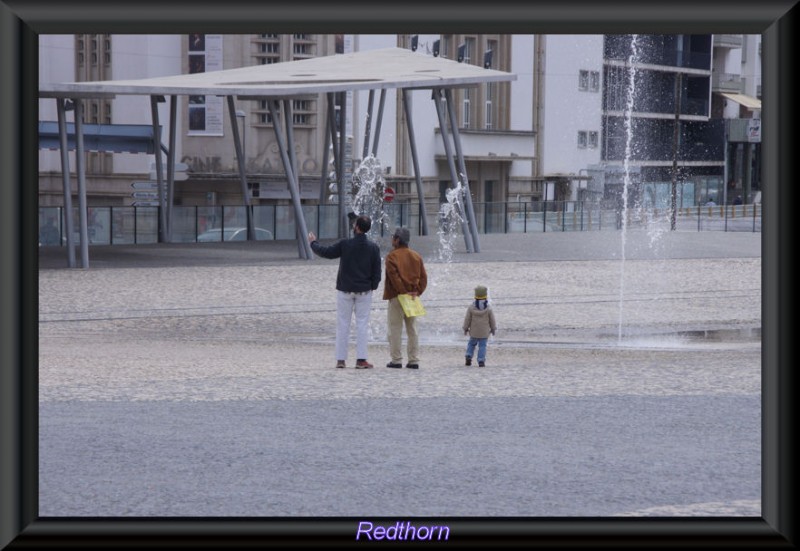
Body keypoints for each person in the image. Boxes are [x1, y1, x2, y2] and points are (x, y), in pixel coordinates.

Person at [308, 215, 382, 369]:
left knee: (343, 324)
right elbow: (377, 272)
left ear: (357, 228)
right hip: (364, 291)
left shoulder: (345, 244)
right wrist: (372, 286)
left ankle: (341, 360)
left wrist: (313, 243)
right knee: (362, 325)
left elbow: (326, 253)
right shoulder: (373, 247)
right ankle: (361, 360)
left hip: (345, 289)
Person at [383, 227, 427, 369]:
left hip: (397, 297)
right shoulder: (416, 256)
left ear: (397, 240)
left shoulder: (392, 256)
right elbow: (424, 278)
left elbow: (394, 278)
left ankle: (396, 360)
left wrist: (403, 292)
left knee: (395, 328)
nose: (391, 240)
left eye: (393, 237)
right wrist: (417, 292)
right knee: (412, 329)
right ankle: (413, 360)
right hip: (413, 297)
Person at [463, 285, 497, 367]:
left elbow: (467, 319)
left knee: (471, 344)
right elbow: (492, 320)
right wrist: (493, 329)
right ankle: (481, 360)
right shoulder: (488, 308)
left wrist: (465, 328)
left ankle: (468, 355)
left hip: (474, 332)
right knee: (482, 346)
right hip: (484, 333)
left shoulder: (471, 308)